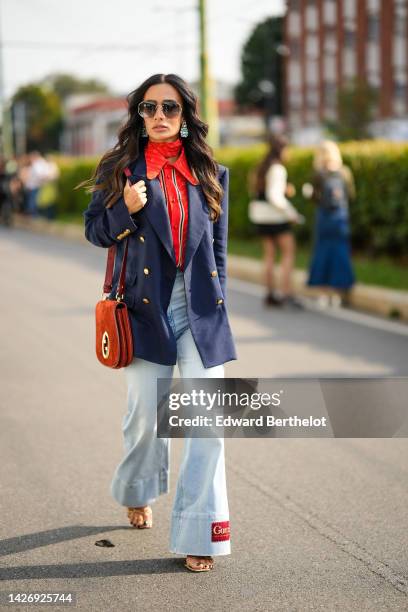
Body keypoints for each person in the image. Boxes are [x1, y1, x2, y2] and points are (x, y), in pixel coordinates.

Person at [82, 73, 237, 573]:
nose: (160, 117)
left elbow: (218, 248)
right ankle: (138, 488)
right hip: (145, 308)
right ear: (139, 114)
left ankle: (200, 533)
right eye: (149, 108)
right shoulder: (119, 168)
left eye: (170, 108)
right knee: (146, 419)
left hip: (199, 310)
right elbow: (94, 231)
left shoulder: (210, 169)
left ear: (187, 116)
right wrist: (124, 211)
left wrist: (219, 303)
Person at [248, 134, 304, 308]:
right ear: (282, 149)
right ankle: (286, 293)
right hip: (275, 217)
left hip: (260, 217)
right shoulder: (278, 168)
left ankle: (270, 294)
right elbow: (274, 197)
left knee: (269, 256)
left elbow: (260, 191)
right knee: (288, 254)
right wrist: (293, 214)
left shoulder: (261, 167)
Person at [305, 141, 355, 307]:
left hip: (324, 218)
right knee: (340, 253)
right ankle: (339, 294)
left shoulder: (319, 173)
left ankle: (324, 295)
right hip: (340, 217)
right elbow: (350, 194)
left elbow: (313, 197)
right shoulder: (345, 172)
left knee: (323, 253)